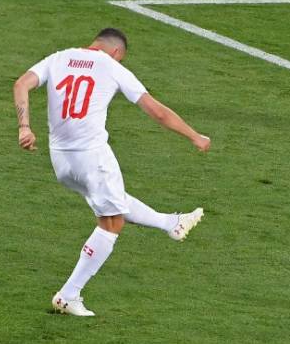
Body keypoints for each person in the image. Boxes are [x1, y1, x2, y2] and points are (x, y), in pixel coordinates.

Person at [13, 28, 211, 316]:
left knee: (113, 200)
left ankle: (172, 223)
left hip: (61, 161)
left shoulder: (59, 58)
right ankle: (69, 294)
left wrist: (24, 127)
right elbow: (157, 111)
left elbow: (21, 84)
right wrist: (194, 136)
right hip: (92, 157)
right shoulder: (112, 66)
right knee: (111, 223)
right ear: (117, 52)